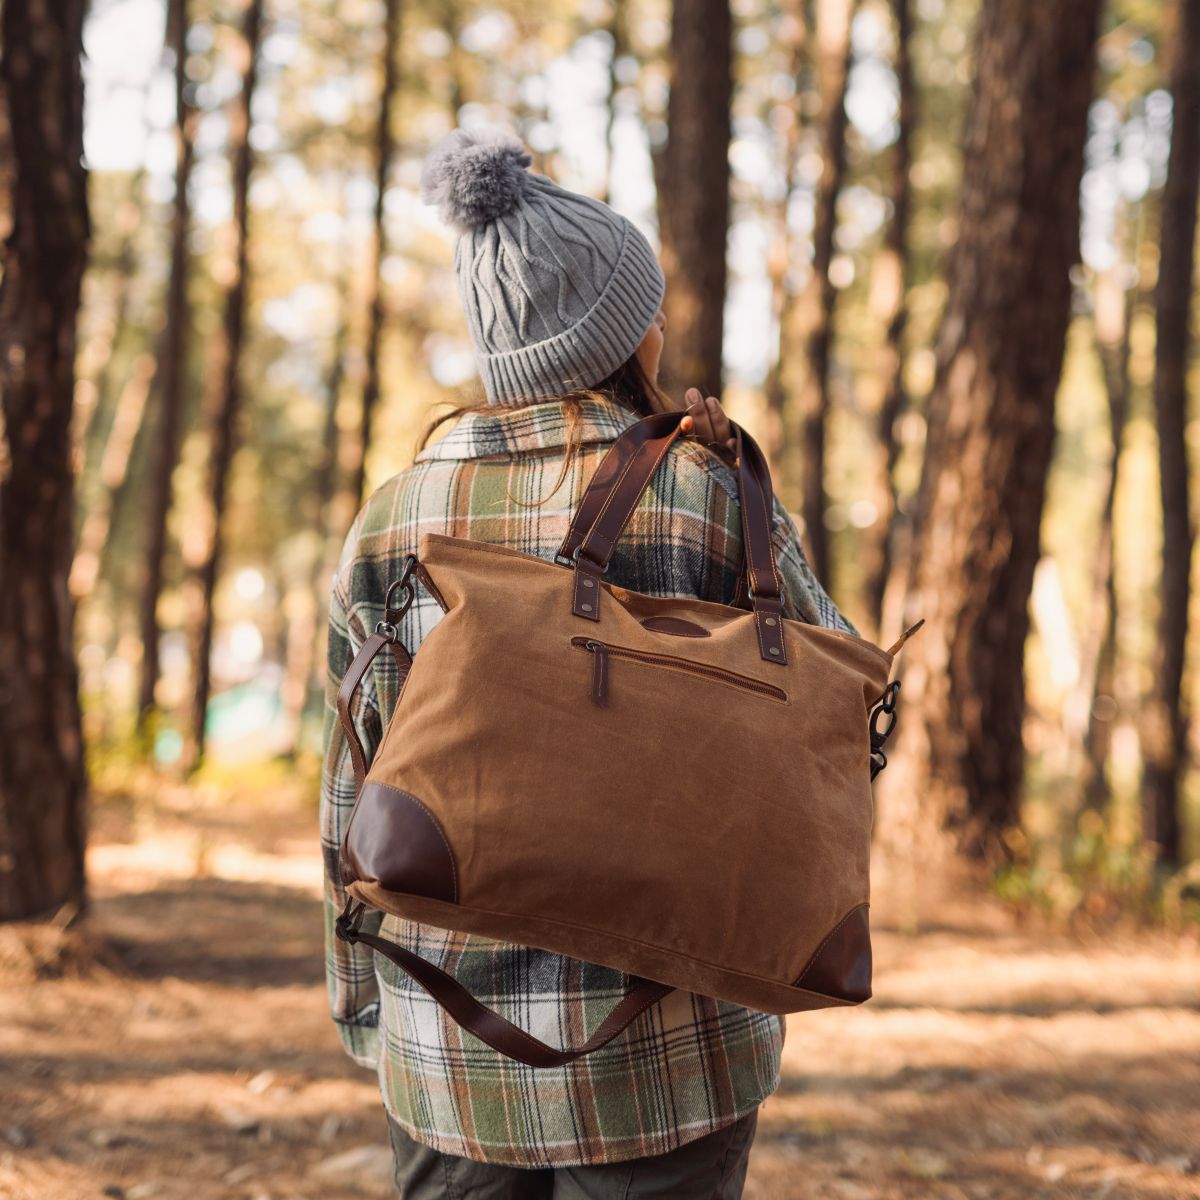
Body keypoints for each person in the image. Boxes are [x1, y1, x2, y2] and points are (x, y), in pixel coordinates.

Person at [319, 125, 857, 1199]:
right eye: (646, 303)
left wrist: (363, 1005)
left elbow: (351, 796)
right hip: (669, 1051)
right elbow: (834, 730)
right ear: (622, 333)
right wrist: (747, 489)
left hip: (448, 1040)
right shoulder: (704, 491)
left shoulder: (394, 520)